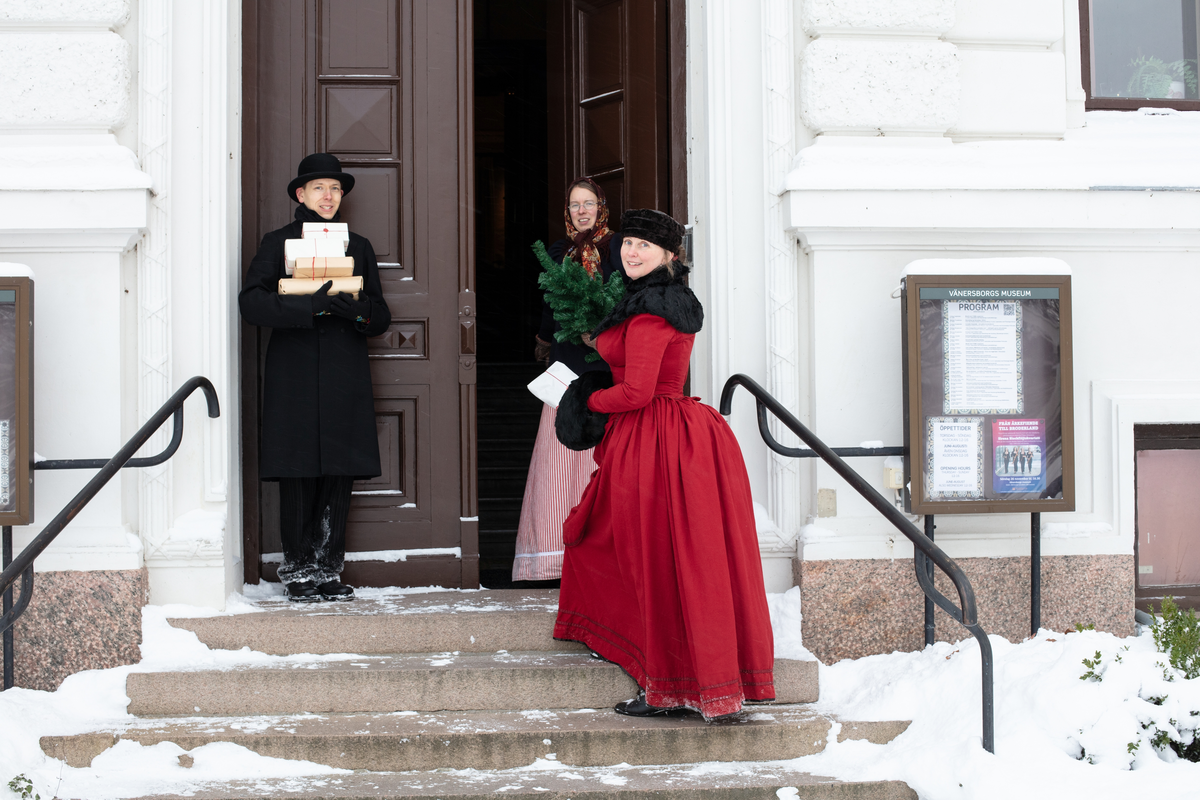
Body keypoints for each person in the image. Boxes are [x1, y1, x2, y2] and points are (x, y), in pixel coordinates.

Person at [552, 208, 775, 719]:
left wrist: (586, 401)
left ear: (669, 254)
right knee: (651, 554)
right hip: (662, 435)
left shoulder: (653, 309)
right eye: (628, 243)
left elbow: (636, 391)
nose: (632, 252)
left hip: (656, 438)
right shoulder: (652, 298)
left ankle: (671, 685)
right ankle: (673, 676)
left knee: (651, 558)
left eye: (644, 245)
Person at [239, 153, 392, 602]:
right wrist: (308, 306)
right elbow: (251, 303)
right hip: (295, 373)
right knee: (298, 470)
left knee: (339, 471)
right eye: (319, 188)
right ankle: (298, 570)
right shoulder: (277, 243)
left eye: (335, 188)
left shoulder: (358, 246)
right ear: (300, 194)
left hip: (345, 371)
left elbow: (380, 315)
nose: (329, 196)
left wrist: (355, 310)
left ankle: (327, 569)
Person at [513, 177, 623, 582]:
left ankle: (602, 556)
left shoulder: (619, 248)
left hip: (606, 367)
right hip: (566, 366)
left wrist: (604, 331)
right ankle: (555, 557)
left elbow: (624, 298)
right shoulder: (560, 252)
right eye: (575, 205)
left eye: (589, 203)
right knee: (559, 463)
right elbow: (551, 304)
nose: (582, 211)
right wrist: (544, 340)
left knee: (603, 461)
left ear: (601, 207)